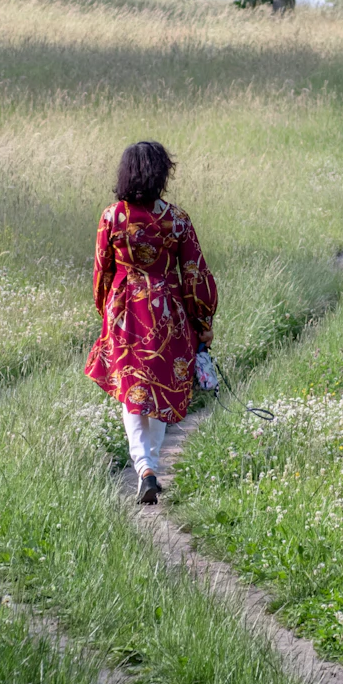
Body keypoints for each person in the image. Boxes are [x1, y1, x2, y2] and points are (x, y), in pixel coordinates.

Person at [85, 139, 218, 504]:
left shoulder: (112, 217)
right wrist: (203, 319)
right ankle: (151, 466)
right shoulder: (176, 220)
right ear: (162, 174)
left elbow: (101, 272)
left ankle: (143, 468)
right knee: (157, 393)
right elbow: (194, 274)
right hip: (166, 313)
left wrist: (107, 310)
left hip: (124, 312)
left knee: (132, 394)